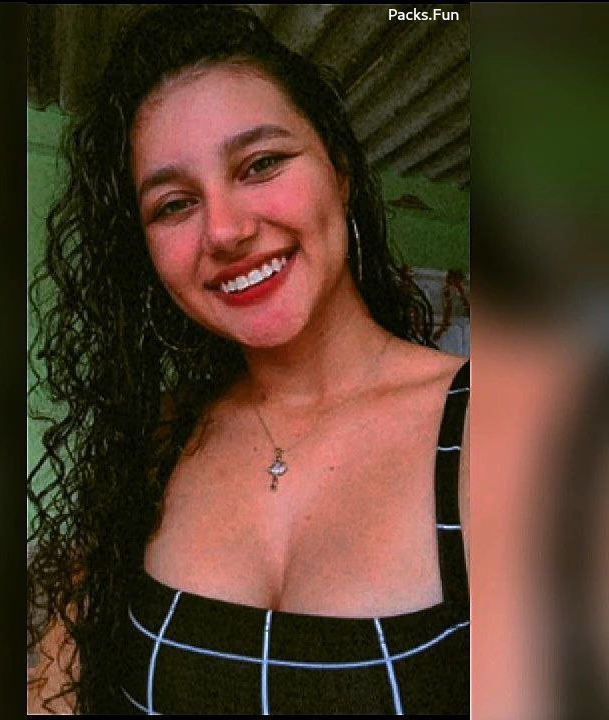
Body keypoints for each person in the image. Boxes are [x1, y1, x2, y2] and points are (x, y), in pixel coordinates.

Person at [27, 5, 469, 715]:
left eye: (261, 164)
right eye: (174, 204)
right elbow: (52, 689)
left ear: (341, 171)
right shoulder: (158, 439)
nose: (226, 231)